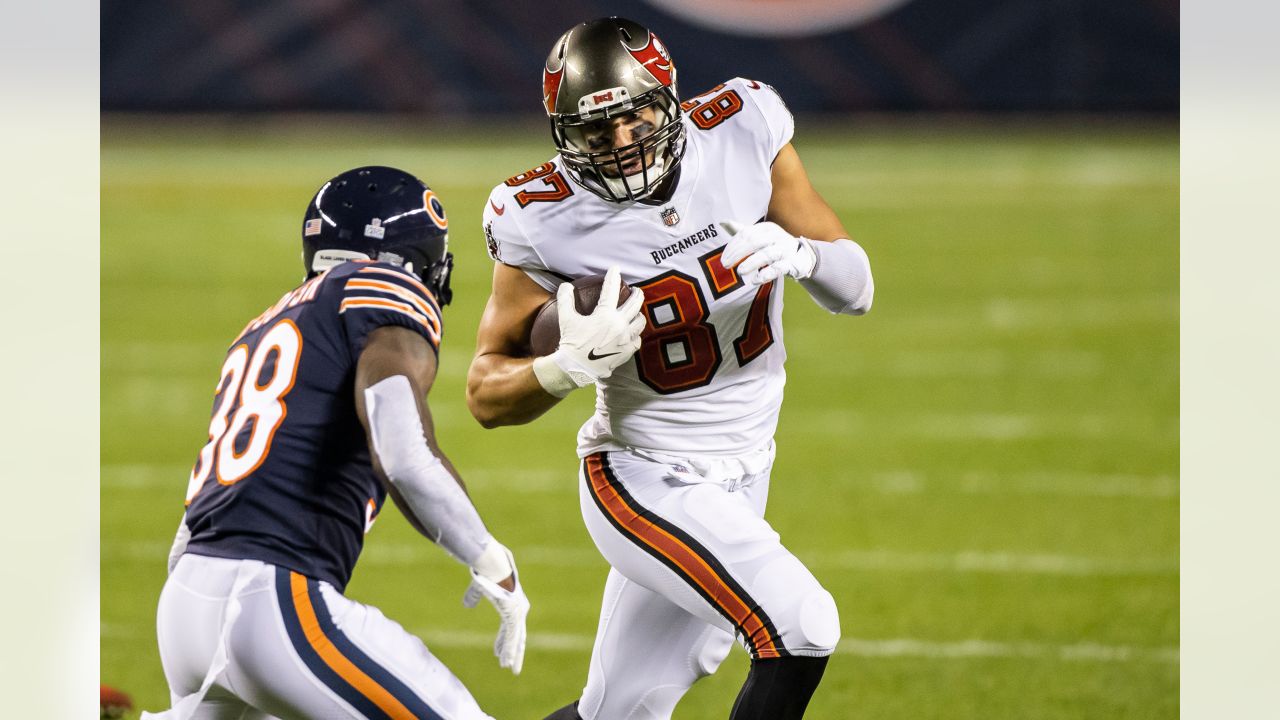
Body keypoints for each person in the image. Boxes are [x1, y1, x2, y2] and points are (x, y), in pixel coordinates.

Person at [467, 16, 874, 720]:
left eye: (635, 119)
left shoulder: (744, 129)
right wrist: (564, 367)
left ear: (669, 99)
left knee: (622, 712)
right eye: (596, 134)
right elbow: (484, 391)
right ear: (564, 135)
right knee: (801, 625)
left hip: (746, 468)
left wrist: (804, 257)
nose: (621, 145)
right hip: (642, 474)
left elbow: (858, 289)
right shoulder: (540, 215)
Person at [146, 166, 529, 720]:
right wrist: (491, 560)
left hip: (186, 602)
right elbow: (403, 453)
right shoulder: (381, 291)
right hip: (271, 598)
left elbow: (195, 519)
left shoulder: (266, 325)